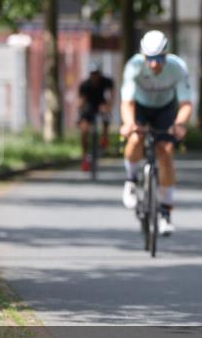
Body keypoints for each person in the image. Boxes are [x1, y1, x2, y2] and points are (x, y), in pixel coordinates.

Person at [119, 30, 193, 236]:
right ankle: (131, 180)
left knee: (166, 152)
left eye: (159, 58)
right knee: (135, 138)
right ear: (143, 56)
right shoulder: (133, 65)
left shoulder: (177, 67)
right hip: (140, 107)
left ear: (166, 55)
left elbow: (185, 103)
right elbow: (127, 102)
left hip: (165, 108)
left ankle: (165, 213)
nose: (154, 64)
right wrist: (129, 124)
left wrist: (179, 124)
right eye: (149, 58)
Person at [77, 61, 114, 171]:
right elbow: (81, 101)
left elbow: (111, 95)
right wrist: (80, 114)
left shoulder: (107, 81)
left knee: (106, 115)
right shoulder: (85, 85)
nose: (95, 76)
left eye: (96, 73)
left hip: (101, 103)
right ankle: (84, 157)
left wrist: (108, 106)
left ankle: (104, 136)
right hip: (89, 106)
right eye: (92, 74)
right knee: (84, 130)